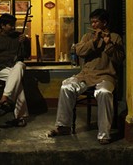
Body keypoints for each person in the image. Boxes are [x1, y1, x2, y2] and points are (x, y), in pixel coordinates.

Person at [47, 9, 125, 145]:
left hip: (106, 76)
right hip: (86, 75)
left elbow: (119, 59)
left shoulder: (115, 37)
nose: (93, 25)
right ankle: (63, 126)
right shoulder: (88, 37)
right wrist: (94, 41)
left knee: (104, 93)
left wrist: (109, 44)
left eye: (96, 22)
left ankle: (104, 134)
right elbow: (79, 51)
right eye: (92, 22)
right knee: (66, 87)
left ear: (104, 23)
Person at [0, 13, 31, 127]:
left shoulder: (19, 37)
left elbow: (27, 55)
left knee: (19, 66)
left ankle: (6, 96)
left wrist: (26, 42)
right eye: (10, 25)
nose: (13, 27)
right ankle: (20, 117)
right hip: (1, 69)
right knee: (18, 85)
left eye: (14, 25)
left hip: (16, 66)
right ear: (2, 26)